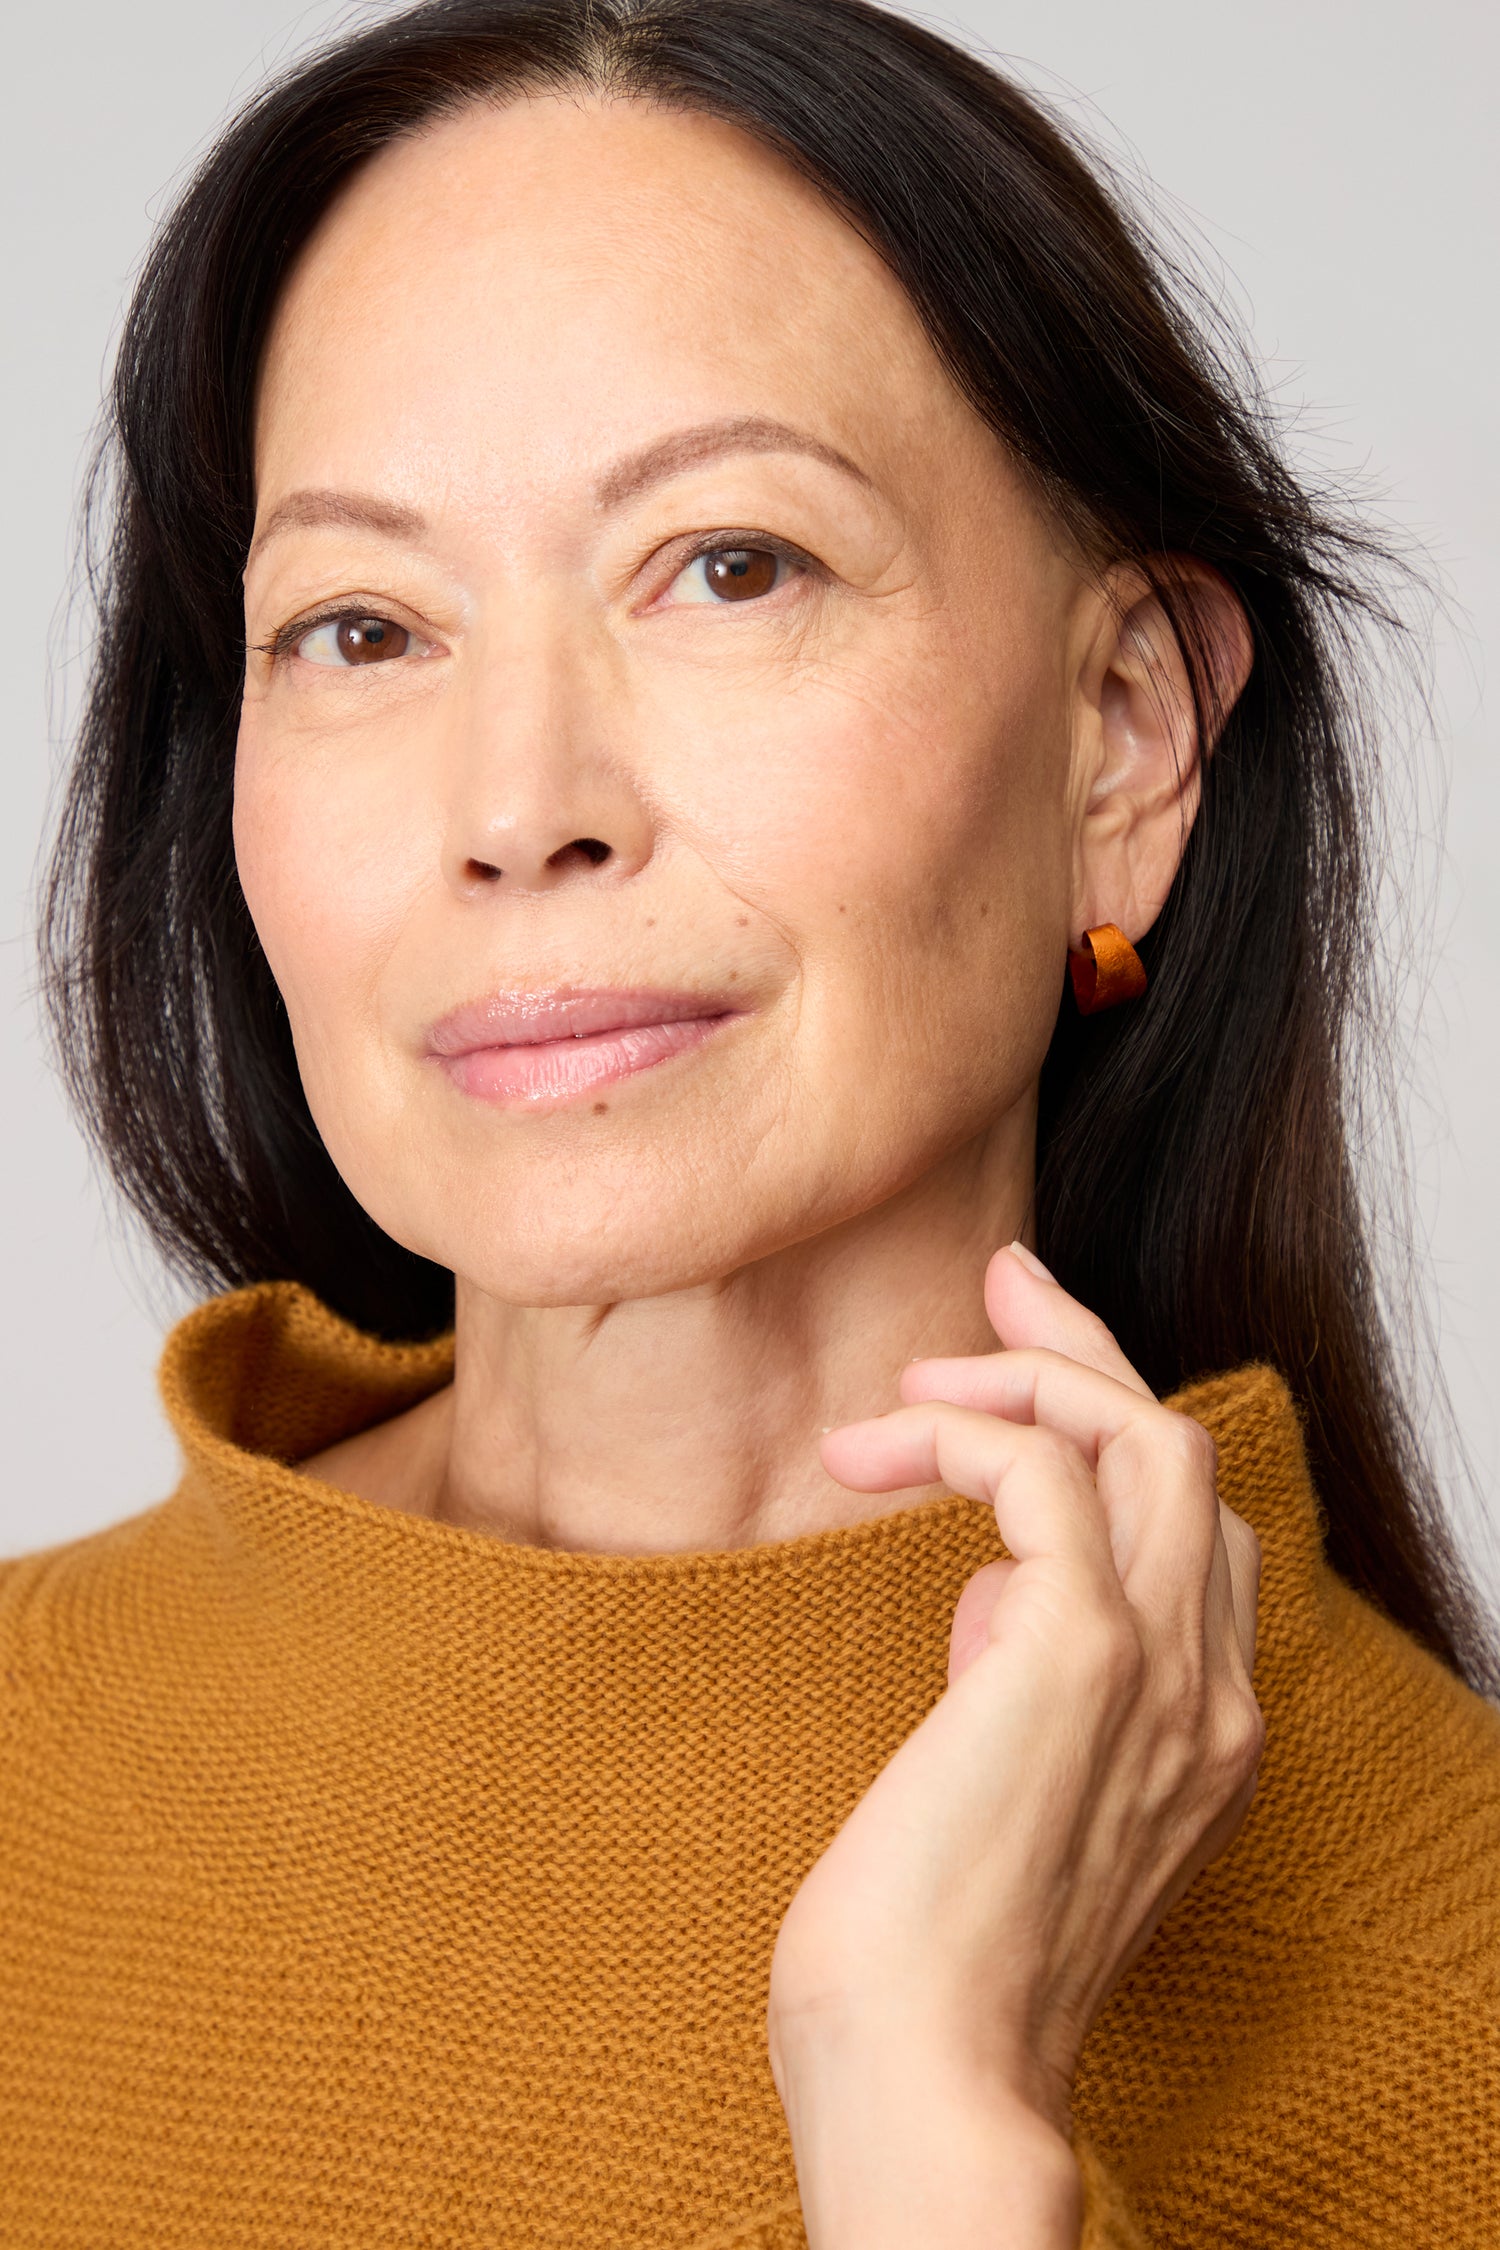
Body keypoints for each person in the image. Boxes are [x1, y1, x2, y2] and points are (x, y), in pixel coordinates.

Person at [5, 0, 1498, 2243]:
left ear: (1123, 744)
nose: (519, 808)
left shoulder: (1444, 2003)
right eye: (358, 626)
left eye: (730, 568)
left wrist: (939, 2119)